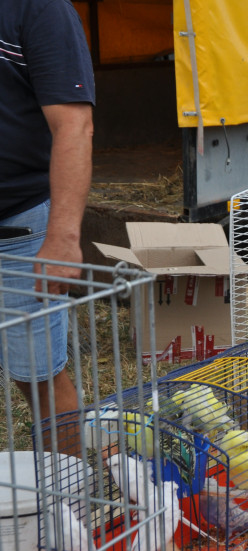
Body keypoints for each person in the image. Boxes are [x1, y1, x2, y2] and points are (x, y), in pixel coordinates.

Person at [0, 0, 93, 424]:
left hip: (17, 223)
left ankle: (69, 488)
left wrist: (63, 237)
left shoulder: (40, 9)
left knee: (37, 376)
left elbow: (73, 124)